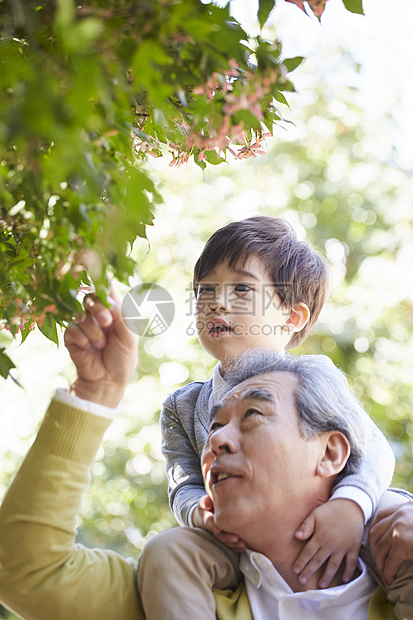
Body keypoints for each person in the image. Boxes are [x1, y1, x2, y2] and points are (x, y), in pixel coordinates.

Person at [0, 302, 410, 620]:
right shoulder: (171, 596)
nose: (217, 442)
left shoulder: (400, 575)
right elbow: (25, 569)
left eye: (252, 415)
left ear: (331, 452)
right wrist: (96, 391)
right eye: (214, 427)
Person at [138, 216, 397, 619]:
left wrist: (350, 506)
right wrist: (199, 513)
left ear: (292, 317)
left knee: (399, 517)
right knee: (170, 550)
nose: (216, 302)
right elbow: (184, 482)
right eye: (205, 290)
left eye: (241, 288)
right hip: (236, 539)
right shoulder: (183, 405)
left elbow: (372, 451)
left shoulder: (314, 377)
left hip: (332, 523)